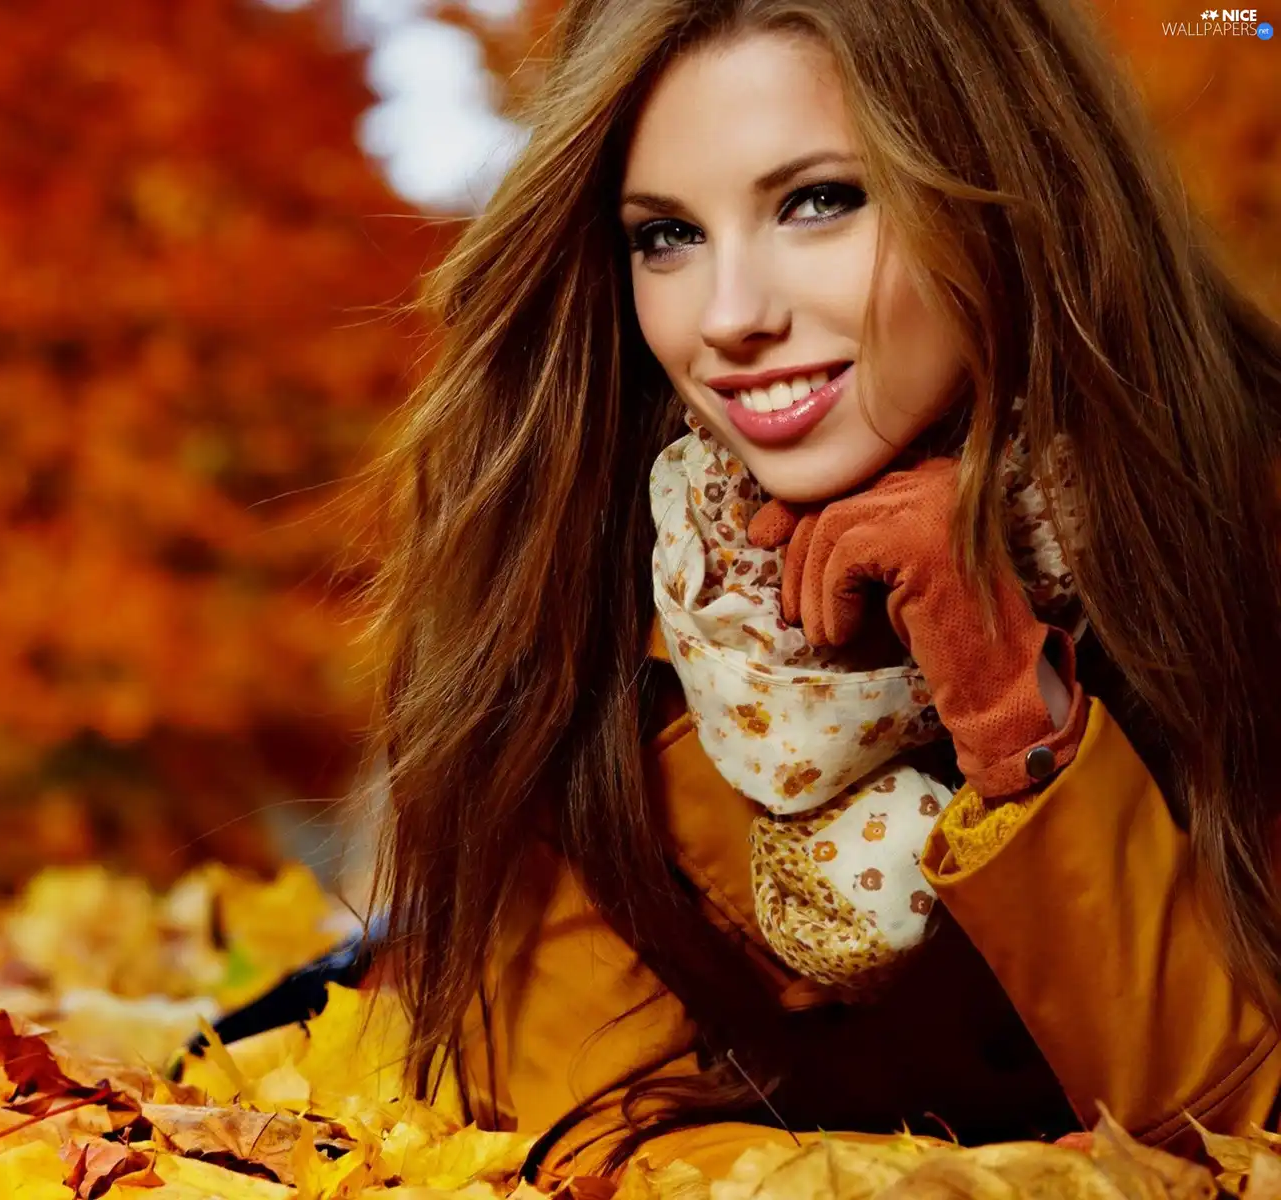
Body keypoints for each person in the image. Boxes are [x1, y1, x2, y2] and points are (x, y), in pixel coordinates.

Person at [180, 0, 1281, 1184]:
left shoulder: (1243, 522)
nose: (729, 317)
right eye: (666, 237)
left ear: (1011, 190)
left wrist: (1014, 707)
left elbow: (1254, 1127)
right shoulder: (588, 577)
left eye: (820, 201)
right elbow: (590, 1141)